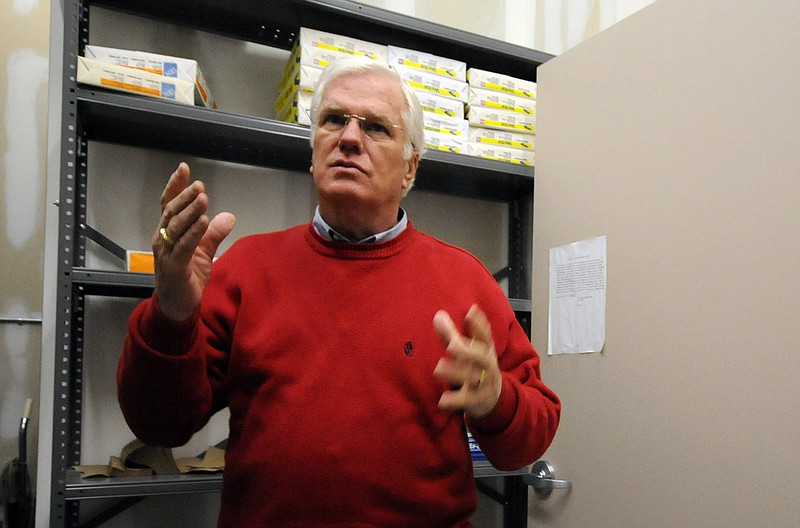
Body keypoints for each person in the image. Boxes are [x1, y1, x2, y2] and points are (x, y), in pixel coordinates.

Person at [117, 56, 560, 528]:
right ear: (313, 149)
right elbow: (159, 425)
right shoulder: (246, 269)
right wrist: (171, 311)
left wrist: (498, 402)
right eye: (333, 120)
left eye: (375, 128)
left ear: (410, 168)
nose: (349, 138)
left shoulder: (464, 280)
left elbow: (529, 440)